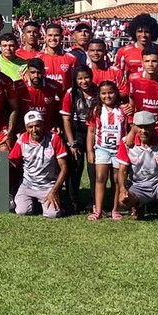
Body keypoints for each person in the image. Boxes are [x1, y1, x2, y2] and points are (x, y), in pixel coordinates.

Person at [114, 112, 158, 227]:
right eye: (140, 127)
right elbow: (122, 170)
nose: (143, 131)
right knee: (122, 201)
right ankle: (138, 205)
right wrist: (122, 189)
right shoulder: (125, 143)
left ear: (153, 126)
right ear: (135, 127)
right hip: (138, 186)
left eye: (147, 127)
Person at [8, 111, 68, 218]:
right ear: (26, 128)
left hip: (48, 187)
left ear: (43, 125)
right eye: (30, 127)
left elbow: (64, 168)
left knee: (52, 215)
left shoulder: (54, 139)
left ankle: (51, 200)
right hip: (27, 186)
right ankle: (33, 202)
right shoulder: (22, 139)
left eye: (37, 126)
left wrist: (54, 191)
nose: (34, 130)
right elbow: (10, 163)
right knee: (22, 211)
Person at [86, 80, 128, 220]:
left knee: (117, 179)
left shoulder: (123, 109)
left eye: (110, 92)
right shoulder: (96, 110)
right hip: (102, 148)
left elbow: (130, 127)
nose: (107, 96)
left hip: (119, 150)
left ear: (116, 93)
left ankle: (115, 209)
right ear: (99, 95)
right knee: (100, 178)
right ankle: (98, 210)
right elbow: (91, 132)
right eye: (103, 93)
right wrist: (90, 151)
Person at [61, 66, 97, 214]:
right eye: (80, 78)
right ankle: (72, 200)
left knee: (93, 167)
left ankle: (95, 201)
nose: (84, 81)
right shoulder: (71, 93)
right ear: (75, 80)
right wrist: (71, 142)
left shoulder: (98, 91)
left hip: (94, 131)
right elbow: (66, 119)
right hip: (76, 131)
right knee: (75, 166)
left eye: (86, 77)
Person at [126, 46, 158, 136]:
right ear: (142, 63)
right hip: (141, 127)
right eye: (147, 61)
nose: (150, 64)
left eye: (154, 61)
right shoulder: (133, 78)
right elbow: (131, 98)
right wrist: (132, 123)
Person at [115, 13, 158, 79]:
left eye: (147, 32)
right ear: (134, 32)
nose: (143, 35)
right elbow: (117, 75)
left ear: (152, 32)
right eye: (140, 31)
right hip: (132, 89)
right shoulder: (123, 52)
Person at [15, 58, 64, 131]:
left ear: (44, 72)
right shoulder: (18, 87)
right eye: (32, 72)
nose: (36, 76)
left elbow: (61, 109)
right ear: (27, 72)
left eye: (39, 72)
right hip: (25, 130)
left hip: (49, 130)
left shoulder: (55, 87)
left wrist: (57, 124)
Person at [37, 23, 76, 88]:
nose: (53, 38)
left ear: (62, 37)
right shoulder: (38, 58)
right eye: (50, 35)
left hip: (65, 97)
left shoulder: (71, 59)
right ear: (45, 37)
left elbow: (75, 82)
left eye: (56, 35)